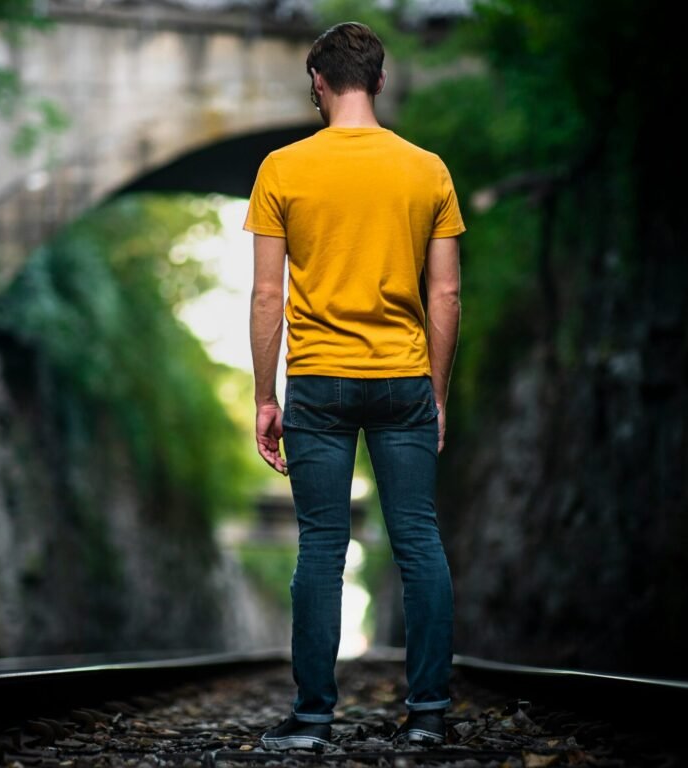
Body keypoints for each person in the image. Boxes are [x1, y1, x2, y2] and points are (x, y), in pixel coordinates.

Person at [243, 21, 465, 750]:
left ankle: (311, 720)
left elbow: (268, 297)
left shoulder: (282, 167)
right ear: (378, 80)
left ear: (317, 81)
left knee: (320, 548)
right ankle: (428, 715)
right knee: (419, 543)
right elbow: (446, 298)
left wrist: (264, 397)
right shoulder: (426, 169)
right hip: (402, 376)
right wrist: (435, 393)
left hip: (319, 381)